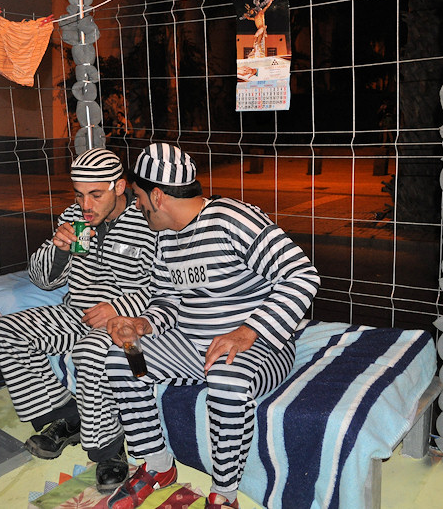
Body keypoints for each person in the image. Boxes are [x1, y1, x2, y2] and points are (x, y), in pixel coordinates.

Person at [103, 143, 321, 509]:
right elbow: (167, 299)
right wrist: (142, 324)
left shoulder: (233, 220)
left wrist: (247, 331)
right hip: (192, 347)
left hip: (261, 348)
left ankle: (224, 493)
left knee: (226, 378)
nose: (136, 205)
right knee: (124, 357)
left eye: (138, 196)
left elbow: (302, 275)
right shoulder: (165, 236)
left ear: (157, 196)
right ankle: (158, 464)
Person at [0, 148, 157, 493]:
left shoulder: (149, 221)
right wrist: (59, 249)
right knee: (7, 331)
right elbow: (42, 280)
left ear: (119, 187)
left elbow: (164, 288)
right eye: (79, 195)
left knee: (89, 353)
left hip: (128, 325)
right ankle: (68, 418)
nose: (86, 205)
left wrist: (118, 307)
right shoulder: (74, 217)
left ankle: (109, 450)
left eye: (95, 194)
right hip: (76, 315)